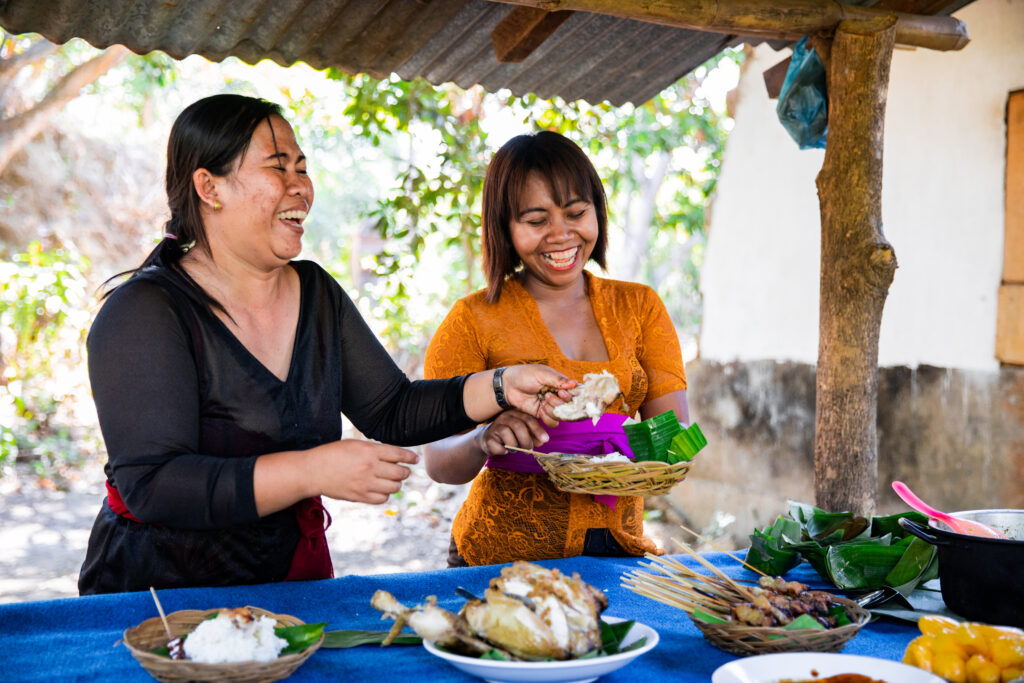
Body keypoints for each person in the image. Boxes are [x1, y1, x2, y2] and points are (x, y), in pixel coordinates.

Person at [78, 94, 574, 595]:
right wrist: (312, 469)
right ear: (209, 187)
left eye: (302, 168)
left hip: (286, 590)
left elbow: (394, 410)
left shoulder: (315, 293)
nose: (301, 188)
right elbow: (154, 485)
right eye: (278, 168)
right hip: (155, 598)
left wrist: (504, 385)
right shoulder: (143, 312)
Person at [423, 131, 689, 567]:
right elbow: (438, 462)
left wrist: (606, 443)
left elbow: (674, 440)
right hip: (500, 560)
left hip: (618, 552)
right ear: (505, 227)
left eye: (576, 213)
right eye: (535, 220)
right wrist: (484, 438)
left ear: (596, 213)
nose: (561, 235)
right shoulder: (472, 320)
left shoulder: (639, 307)